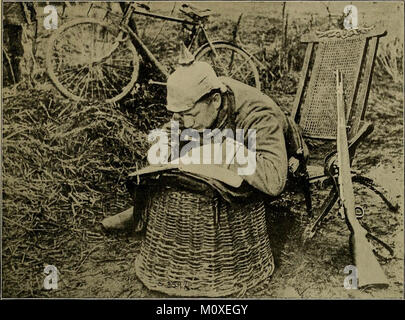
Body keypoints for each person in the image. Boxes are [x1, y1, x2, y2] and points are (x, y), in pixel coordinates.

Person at [101, 45, 306, 231]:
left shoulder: (257, 115)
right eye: (182, 115)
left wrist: (226, 152)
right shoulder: (198, 103)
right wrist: (165, 142)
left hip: (279, 159)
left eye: (191, 115)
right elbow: (177, 125)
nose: (187, 123)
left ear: (215, 100)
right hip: (228, 145)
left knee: (212, 154)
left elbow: (274, 181)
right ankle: (144, 210)